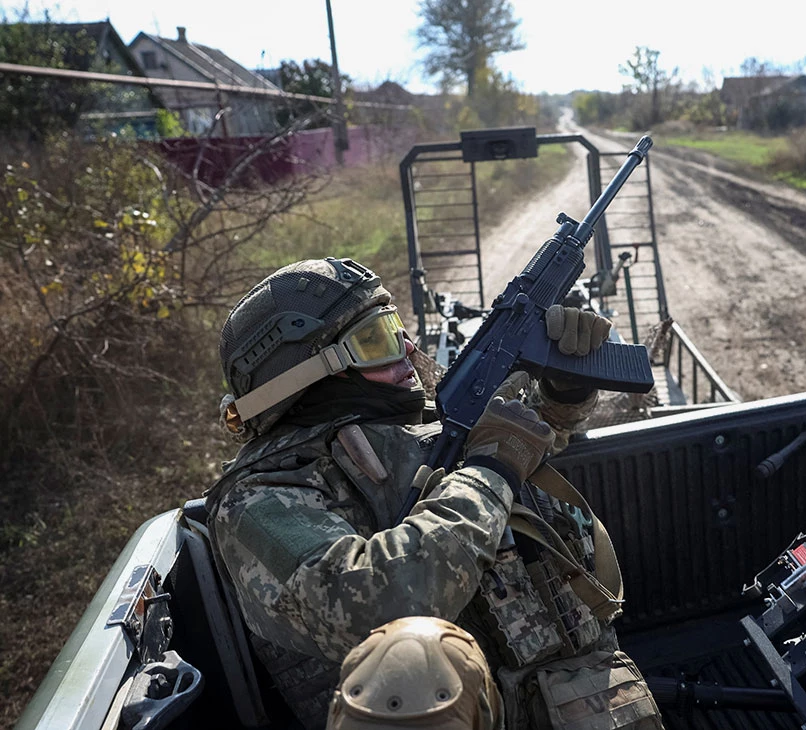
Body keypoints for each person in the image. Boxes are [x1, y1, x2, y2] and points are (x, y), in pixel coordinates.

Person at [205, 257, 663, 730]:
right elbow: (381, 603)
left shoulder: (408, 423)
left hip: (584, 700)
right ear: (311, 373)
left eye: (395, 326)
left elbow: (521, 440)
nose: (405, 347)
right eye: (374, 340)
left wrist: (563, 391)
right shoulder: (260, 498)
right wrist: (491, 471)